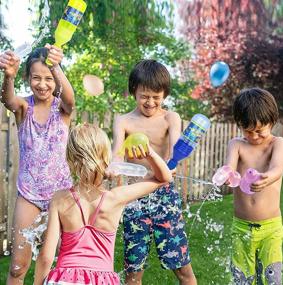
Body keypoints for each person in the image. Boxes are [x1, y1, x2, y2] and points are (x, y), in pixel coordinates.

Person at [33, 123, 172, 284]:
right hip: (103, 279)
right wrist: (149, 154)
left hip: (65, 278)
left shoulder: (60, 199)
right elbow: (164, 178)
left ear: (70, 159)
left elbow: (46, 256)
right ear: (106, 158)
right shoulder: (116, 197)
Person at [111, 59, 197, 285]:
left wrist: (168, 163)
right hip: (135, 198)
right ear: (134, 92)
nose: (150, 102)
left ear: (165, 95)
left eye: (156, 97)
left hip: (164, 197)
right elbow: (117, 156)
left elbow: (173, 156)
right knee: (133, 273)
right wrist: (112, 166)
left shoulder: (170, 118)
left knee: (182, 268)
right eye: (144, 96)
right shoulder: (123, 121)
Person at [0, 44, 75, 284]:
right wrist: (8, 77)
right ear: (28, 78)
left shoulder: (62, 110)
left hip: (60, 196)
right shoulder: (24, 108)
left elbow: (71, 99)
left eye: (48, 78)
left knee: (50, 265)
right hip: (29, 195)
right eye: (36, 78)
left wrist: (56, 66)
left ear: (56, 80)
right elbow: (8, 100)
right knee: (17, 268)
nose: (43, 84)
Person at [224, 87, 283, 284]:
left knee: (272, 279)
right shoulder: (236, 144)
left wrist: (268, 177)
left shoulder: (278, 144)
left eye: (260, 130)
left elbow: (278, 167)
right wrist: (227, 175)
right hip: (241, 228)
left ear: (272, 121)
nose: (254, 136)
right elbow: (230, 168)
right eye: (248, 131)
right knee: (241, 279)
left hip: (271, 228)